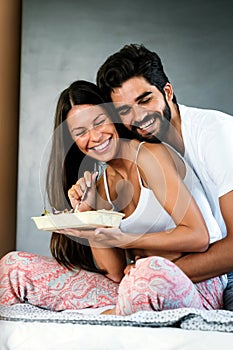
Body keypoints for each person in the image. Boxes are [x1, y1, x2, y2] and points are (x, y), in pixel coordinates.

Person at [0, 80, 225, 315]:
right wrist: (89, 215)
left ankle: (108, 317)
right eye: (81, 132)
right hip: (133, 285)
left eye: (100, 122)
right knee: (12, 266)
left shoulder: (149, 156)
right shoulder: (101, 184)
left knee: (146, 272)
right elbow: (115, 273)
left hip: (194, 284)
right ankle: (116, 313)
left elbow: (199, 237)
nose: (95, 137)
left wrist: (125, 239)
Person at [96, 44, 233, 310]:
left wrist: (154, 275)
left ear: (167, 92)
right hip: (208, 269)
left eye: (145, 100)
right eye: (125, 111)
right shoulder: (148, 152)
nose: (139, 117)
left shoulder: (215, 135)